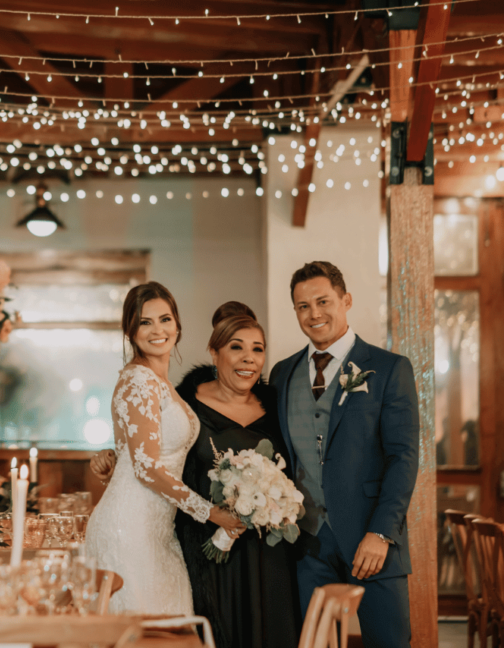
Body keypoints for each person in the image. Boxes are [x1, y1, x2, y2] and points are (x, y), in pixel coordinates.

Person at [92, 302, 299, 648]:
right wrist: (113, 459)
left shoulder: (277, 407)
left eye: (257, 349)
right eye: (236, 346)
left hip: (265, 551)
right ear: (214, 352)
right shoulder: (187, 399)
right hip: (204, 543)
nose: (248, 357)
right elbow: (148, 451)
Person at [270, 261, 418, 648]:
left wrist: (382, 533)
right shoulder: (282, 374)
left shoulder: (388, 369)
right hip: (308, 542)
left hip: (372, 541)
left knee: (389, 642)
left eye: (323, 301)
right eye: (303, 306)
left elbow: (403, 457)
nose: (314, 313)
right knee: (312, 643)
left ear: (346, 300)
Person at [84, 282, 244, 615]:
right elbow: (145, 468)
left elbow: (129, 454)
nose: (158, 330)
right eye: (145, 322)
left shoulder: (163, 384)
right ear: (131, 330)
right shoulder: (138, 380)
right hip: (129, 529)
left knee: (168, 628)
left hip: (157, 529)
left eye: (165, 319)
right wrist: (211, 512)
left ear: (177, 325)